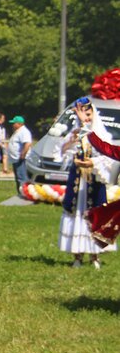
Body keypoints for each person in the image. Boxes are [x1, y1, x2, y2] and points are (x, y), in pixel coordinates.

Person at [57, 98, 116, 269]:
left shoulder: (102, 134)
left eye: (88, 114)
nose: (86, 118)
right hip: (78, 183)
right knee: (77, 216)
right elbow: (63, 152)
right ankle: (77, 256)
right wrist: (71, 142)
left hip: (95, 181)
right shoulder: (75, 133)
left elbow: (109, 156)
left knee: (95, 216)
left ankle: (95, 256)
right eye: (83, 115)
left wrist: (94, 164)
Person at [7, 115, 32, 196]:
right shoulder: (18, 131)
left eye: (14, 123)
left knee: (22, 177)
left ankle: (24, 193)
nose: (13, 125)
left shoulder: (24, 132)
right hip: (16, 158)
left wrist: (23, 154)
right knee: (19, 177)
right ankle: (20, 193)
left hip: (21, 159)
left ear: (19, 123)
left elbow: (27, 143)